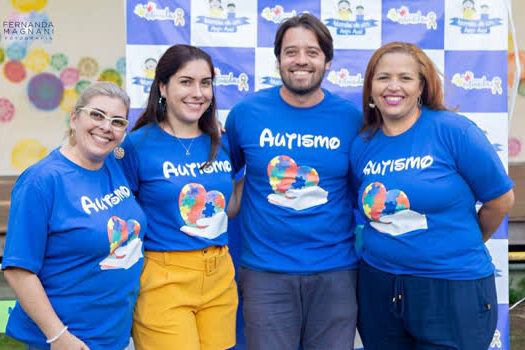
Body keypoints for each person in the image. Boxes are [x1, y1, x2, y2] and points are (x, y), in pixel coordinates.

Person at [351, 41, 515, 350]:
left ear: (422, 87)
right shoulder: (362, 144)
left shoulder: (453, 131)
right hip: (379, 287)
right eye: (383, 77)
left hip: (452, 289)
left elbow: (500, 199)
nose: (393, 86)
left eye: (405, 78)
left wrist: (461, 242)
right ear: (370, 88)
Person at [226, 13, 361, 350]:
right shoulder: (246, 113)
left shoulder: (352, 119)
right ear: (278, 60)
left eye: (312, 52)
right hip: (265, 274)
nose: (301, 60)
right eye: (291, 52)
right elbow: (221, 180)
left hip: (336, 273)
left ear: (327, 62)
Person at [2, 82, 147, 350]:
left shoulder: (116, 165)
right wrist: (59, 337)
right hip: (69, 340)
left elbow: (165, 137)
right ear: (74, 117)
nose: (106, 127)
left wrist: (207, 131)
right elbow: (18, 269)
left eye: (117, 121)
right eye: (96, 115)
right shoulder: (42, 181)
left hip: (117, 336)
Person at [118, 44, 240, 350]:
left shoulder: (221, 142)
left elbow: (230, 209)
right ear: (163, 86)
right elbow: (121, 216)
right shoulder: (136, 145)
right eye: (186, 82)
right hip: (163, 278)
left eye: (205, 83)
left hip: (220, 276)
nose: (197, 93)